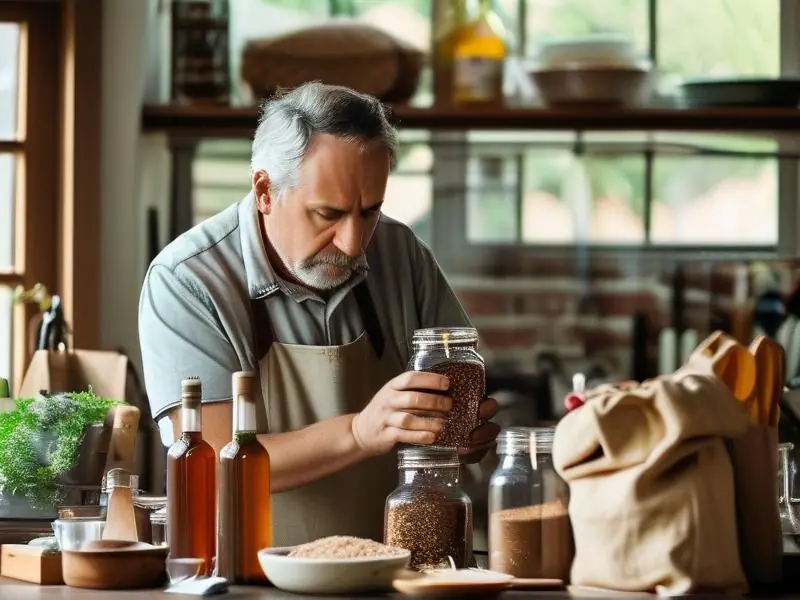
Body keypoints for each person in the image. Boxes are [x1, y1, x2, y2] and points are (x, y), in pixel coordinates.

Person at [138, 82, 500, 546]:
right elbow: (211, 461)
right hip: (246, 574)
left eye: (369, 212)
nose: (352, 243)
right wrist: (358, 432)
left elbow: (456, 392)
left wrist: (458, 436)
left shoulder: (402, 254)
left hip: (396, 568)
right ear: (265, 190)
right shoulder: (188, 280)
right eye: (328, 214)